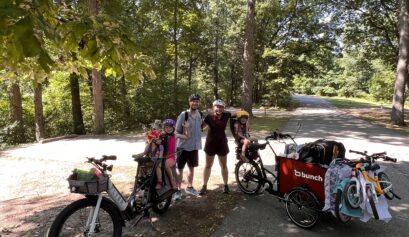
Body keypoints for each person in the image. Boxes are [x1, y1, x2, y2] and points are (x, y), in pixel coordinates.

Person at [200, 99, 233, 195]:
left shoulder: (226, 115)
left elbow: (240, 114)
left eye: (221, 107)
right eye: (217, 106)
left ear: (223, 108)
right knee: (208, 165)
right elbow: (201, 127)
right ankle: (204, 186)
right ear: (213, 107)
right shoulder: (209, 117)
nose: (219, 108)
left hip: (222, 143)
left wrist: (246, 123)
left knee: (223, 165)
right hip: (210, 144)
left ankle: (226, 185)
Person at [174, 93, 203, 199]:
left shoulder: (199, 114)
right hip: (183, 147)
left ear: (199, 103)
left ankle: (190, 187)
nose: (195, 103)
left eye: (197, 101)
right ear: (189, 102)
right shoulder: (184, 115)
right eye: (193, 101)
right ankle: (177, 190)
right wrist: (185, 136)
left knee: (191, 168)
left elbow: (201, 128)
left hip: (195, 146)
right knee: (180, 168)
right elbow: (176, 132)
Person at [161, 119, 180, 190]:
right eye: (166, 127)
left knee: (165, 163)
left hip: (171, 157)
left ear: (173, 128)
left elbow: (187, 137)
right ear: (164, 128)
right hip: (162, 157)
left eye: (170, 127)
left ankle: (172, 181)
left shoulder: (175, 136)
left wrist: (186, 128)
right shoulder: (162, 136)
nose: (168, 129)